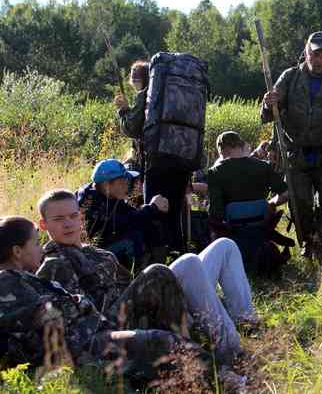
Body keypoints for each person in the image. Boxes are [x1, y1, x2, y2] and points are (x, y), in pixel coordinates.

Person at [0, 215, 244, 389]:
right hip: (85, 347)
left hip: (94, 332)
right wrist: (78, 302)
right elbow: (42, 320)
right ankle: (226, 378)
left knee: (159, 320)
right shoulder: (7, 282)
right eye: (34, 242)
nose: (40, 248)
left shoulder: (24, 278)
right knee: (161, 341)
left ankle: (217, 370)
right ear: (17, 251)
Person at [35, 189, 256, 366]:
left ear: (80, 217)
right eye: (58, 219)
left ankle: (248, 323)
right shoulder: (54, 264)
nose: (68, 224)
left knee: (224, 246)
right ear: (44, 225)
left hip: (144, 306)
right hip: (116, 326)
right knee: (173, 266)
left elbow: (130, 286)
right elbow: (79, 319)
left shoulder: (97, 253)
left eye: (73, 216)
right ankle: (231, 349)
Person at [260, 31, 322, 262]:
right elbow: (267, 116)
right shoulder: (290, 77)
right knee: (299, 203)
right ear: (307, 52)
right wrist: (267, 103)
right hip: (297, 156)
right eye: (315, 53)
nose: (319, 59)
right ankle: (307, 244)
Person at [115, 60, 191, 254]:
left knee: (154, 205)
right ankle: (178, 248)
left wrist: (123, 110)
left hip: (155, 161)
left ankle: (157, 251)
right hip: (182, 157)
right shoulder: (175, 96)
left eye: (133, 79)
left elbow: (132, 129)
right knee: (175, 207)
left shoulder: (147, 96)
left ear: (137, 79)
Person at [207, 131, 292, 275]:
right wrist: (269, 203)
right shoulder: (264, 167)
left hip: (233, 234)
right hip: (261, 229)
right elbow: (285, 194)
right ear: (241, 145)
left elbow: (216, 213)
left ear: (223, 149)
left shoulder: (215, 172)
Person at [76, 158, 170, 266]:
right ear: (107, 184)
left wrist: (151, 209)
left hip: (109, 243)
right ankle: (137, 276)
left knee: (151, 224)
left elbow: (130, 213)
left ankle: (159, 267)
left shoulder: (109, 195)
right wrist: (152, 208)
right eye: (122, 181)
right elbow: (123, 222)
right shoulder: (91, 203)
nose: (127, 185)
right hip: (95, 254)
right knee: (133, 238)